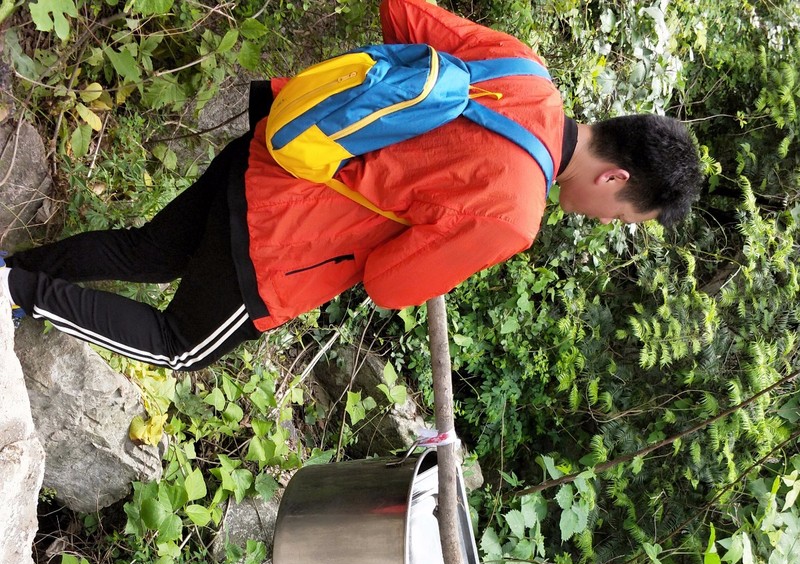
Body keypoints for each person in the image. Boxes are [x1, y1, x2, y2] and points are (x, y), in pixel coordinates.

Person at [0, 0, 701, 372]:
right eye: (619, 215)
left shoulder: (524, 71)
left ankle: (13, 270)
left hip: (282, 143)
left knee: (148, 251)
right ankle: (14, 291)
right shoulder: (514, 214)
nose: (604, 219)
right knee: (180, 345)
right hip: (278, 244)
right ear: (615, 178)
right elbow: (389, 284)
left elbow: (403, 12)